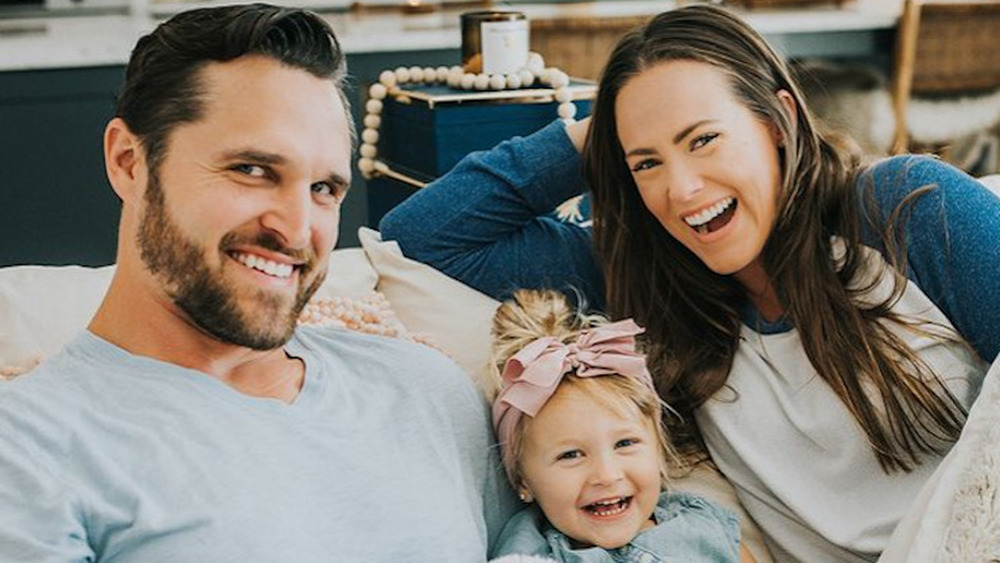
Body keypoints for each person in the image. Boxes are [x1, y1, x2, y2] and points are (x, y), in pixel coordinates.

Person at [379, 5, 1000, 562]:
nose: (682, 190)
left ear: (778, 121)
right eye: (646, 163)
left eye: (703, 139)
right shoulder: (641, 284)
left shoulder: (905, 209)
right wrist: (600, 134)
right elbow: (425, 234)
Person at [0, 4, 515, 560]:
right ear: (129, 161)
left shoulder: (426, 390)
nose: (296, 229)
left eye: (323, 189)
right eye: (252, 170)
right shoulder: (29, 447)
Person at [486, 289, 754, 562]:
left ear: (658, 450)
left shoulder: (702, 526)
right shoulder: (531, 553)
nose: (607, 475)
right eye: (571, 454)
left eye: (625, 443)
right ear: (523, 480)